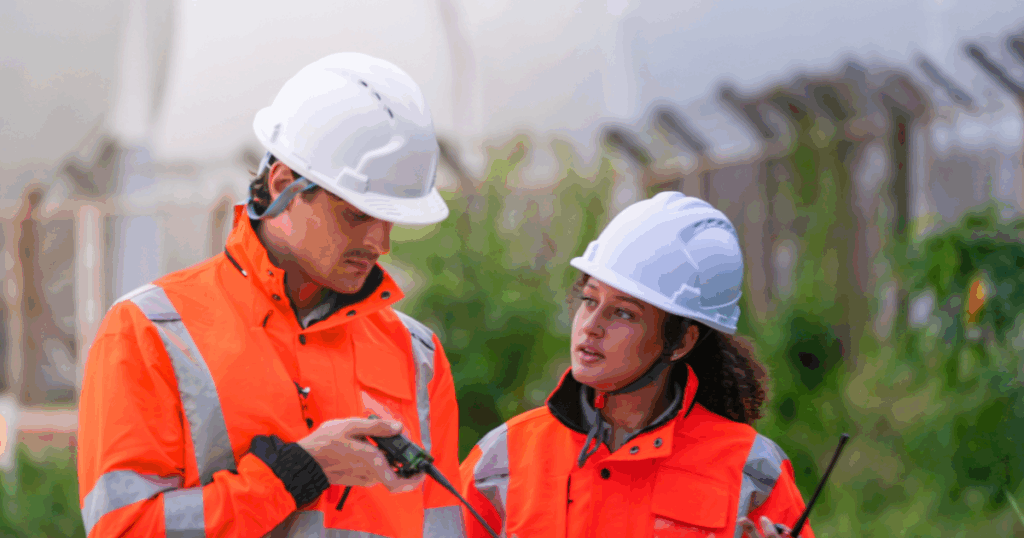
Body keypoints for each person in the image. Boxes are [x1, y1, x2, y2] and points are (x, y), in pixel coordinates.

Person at [78, 53, 466, 537]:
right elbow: (124, 529)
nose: (379, 243)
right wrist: (295, 474)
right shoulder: (151, 331)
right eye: (356, 215)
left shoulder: (417, 354)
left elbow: (442, 526)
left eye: (390, 220)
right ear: (284, 185)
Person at [459, 192, 817, 538]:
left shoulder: (750, 468)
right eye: (589, 300)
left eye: (623, 313)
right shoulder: (505, 456)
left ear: (681, 342)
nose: (591, 325)